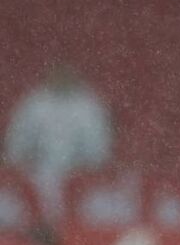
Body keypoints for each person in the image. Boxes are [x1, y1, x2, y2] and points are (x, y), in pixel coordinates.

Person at [3, 64, 113, 222]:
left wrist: (80, 168)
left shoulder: (88, 105)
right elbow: (17, 142)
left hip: (78, 178)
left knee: (101, 211)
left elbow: (99, 149)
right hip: (36, 175)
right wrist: (26, 160)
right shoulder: (34, 103)